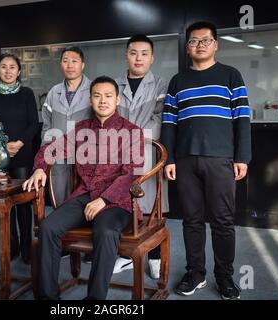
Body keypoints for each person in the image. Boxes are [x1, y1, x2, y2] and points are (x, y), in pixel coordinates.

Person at [23, 76, 144, 300]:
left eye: (108, 96)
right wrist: (40, 167)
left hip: (118, 202)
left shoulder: (132, 131)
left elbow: (132, 174)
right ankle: (48, 298)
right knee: (48, 227)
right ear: (90, 99)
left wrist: (105, 200)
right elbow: (52, 148)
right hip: (85, 194)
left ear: (117, 99)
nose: (103, 101)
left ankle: (95, 300)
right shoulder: (81, 129)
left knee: (106, 231)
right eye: (97, 96)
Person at [161, 21, 251, 300]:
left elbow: (243, 120)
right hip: (185, 160)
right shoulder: (178, 81)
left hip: (221, 159)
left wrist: (242, 157)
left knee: (223, 221)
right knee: (192, 220)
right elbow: (169, 122)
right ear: (187, 48)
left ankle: (224, 277)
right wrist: (169, 158)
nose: (199, 45)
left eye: (205, 40)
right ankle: (195, 273)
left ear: (216, 44)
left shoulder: (231, 75)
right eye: (193, 41)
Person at [113, 34, 169, 279]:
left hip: (149, 153)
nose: (138, 58)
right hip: (119, 155)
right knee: (123, 204)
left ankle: (155, 257)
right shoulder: (115, 84)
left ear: (152, 58)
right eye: (133, 52)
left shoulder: (161, 85)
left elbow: (160, 118)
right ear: (126, 56)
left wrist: (134, 136)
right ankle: (125, 256)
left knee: (153, 208)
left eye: (144, 53)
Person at [0, 53, 39, 263]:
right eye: (3, 67)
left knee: (23, 202)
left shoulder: (27, 93)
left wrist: (19, 142)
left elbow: (34, 123)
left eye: (12, 67)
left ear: (19, 70)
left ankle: (26, 248)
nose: (7, 70)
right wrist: (4, 146)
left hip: (22, 154)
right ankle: (11, 246)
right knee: (6, 203)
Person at [41, 46, 92, 207]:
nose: (70, 65)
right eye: (65, 61)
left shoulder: (94, 89)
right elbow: (47, 126)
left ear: (83, 64)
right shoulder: (53, 92)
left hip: (86, 155)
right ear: (60, 65)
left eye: (74, 61)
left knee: (84, 200)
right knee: (60, 199)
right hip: (59, 155)